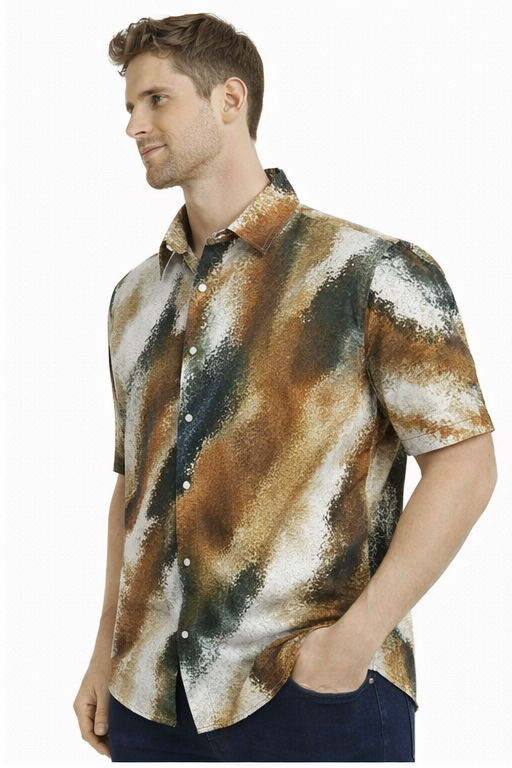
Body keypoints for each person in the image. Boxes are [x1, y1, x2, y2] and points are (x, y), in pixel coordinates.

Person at [73, 13, 496, 762]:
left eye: (156, 100)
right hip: (151, 701)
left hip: (310, 695)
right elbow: (133, 488)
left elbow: (466, 465)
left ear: (229, 100)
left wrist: (354, 643)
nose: (133, 125)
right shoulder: (135, 298)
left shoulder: (371, 270)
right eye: (129, 106)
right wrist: (106, 651)